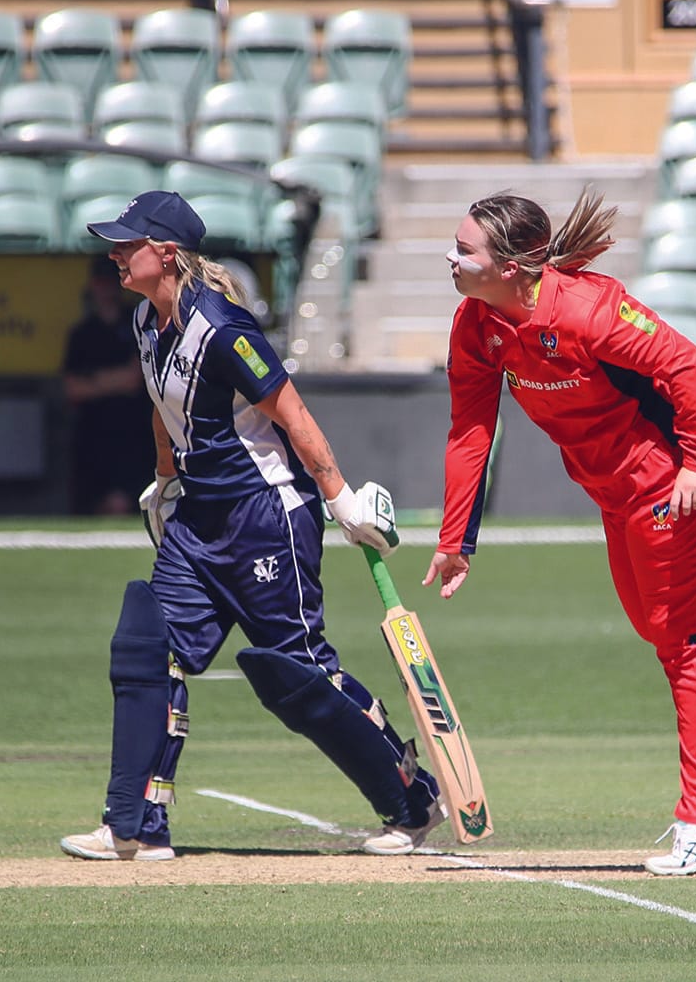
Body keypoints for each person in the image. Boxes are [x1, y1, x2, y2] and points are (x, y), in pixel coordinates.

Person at [425, 188, 696, 876]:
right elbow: (471, 430)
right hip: (616, 488)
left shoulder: (587, 309)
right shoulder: (476, 325)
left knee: (687, 637)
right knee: (656, 621)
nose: (451, 258)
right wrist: (455, 539)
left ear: (510, 266)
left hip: (681, 473)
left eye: (464, 250)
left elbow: (684, 363)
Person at [60, 191, 444, 861]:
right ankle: (136, 825)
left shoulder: (223, 328)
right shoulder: (147, 322)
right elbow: (161, 405)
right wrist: (166, 479)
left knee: (299, 676)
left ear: (167, 253)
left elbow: (293, 415)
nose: (115, 254)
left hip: (266, 518)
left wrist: (341, 499)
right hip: (196, 521)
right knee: (148, 649)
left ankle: (413, 800)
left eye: (128, 243)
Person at [62, 254, 155, 515]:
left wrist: (96, 381)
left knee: (128, 503)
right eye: (100, 283)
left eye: (110, 283)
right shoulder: (82, 333)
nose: (106, 290)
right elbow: (73, 388)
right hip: (92, 433)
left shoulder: (136, 323)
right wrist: (115, 380)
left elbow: (135, 378)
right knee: (90, 505)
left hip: (132, 432)